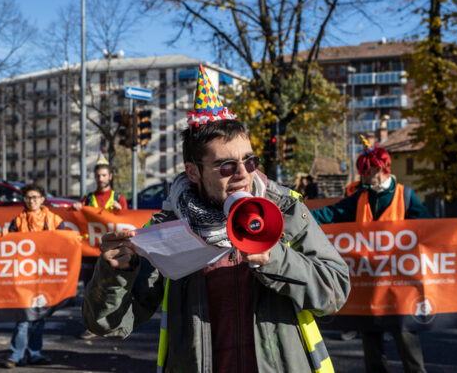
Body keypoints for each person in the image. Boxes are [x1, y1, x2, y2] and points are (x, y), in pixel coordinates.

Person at [82, 65, 350, 372]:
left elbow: (335, 293)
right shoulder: (168, 229)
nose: (243, 174)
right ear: (194, 171)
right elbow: (108, 325)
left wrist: (275, 258)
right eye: (225, 166)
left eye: (250, 161)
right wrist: (114, 272)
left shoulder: (286, 211)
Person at [311, 137, 431, 373]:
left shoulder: (405, 196)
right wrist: (300, 216)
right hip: (370, 284)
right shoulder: (361, 197)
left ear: (379, 169)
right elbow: (331, 214)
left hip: (400, 283)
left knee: (406, 340)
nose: (362, 177)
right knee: (372, 347)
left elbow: (431, 226)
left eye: (366, 172)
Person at [0, 184, 64, 369]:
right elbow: (9, 247)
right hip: (24, 275)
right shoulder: (17, 220)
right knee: (23, 318)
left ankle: (35, 354)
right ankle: (16, 355)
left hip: (45, 274)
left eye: (35, 197)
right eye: (28, 198)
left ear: (43, 199)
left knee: (38, 317)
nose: (31, 201)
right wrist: (5, 236)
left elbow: (65, 242)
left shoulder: (54, 219)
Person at [72, 153, 127, 339]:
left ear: (110, 176)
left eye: (104, 175)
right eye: (98, 175)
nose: (100, 178)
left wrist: (120, 213)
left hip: (112, 252)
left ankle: (114, 324)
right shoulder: (87, 199)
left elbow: (127, 224)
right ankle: (93, 326)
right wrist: (76, 211)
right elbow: (78, 222)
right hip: (90, 252)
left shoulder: (119, 198)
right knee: (91, 291)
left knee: (114, 289)